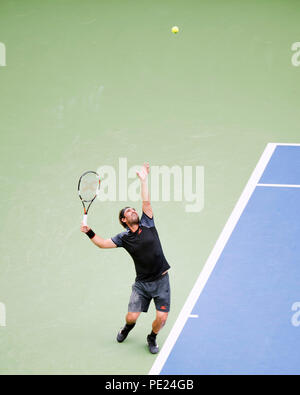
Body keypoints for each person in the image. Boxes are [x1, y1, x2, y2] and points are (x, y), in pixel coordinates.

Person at [80, 163, 171, 354]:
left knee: (162, 318)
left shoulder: (147, 223)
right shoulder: (123, 238)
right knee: (131, 317)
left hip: (162, 281)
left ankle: (152, 337)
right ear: (123, 220)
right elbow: (103, 243)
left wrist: (143, 180)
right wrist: (89, 232)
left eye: (133, 209)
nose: (133, 211)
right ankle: (127, 328)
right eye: (128, 211)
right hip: (142, 285)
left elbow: (145, 202)